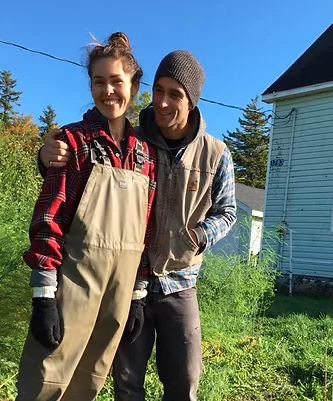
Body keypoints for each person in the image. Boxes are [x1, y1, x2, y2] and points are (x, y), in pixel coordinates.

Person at [39, 50, 237, 401]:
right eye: (158, 90)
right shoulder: (136, 140)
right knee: (127, 381)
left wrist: (199, 236)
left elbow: (228, 212)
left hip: (180, 282)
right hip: (127, 282)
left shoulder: (216, 154)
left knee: (185, 380)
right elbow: (87, 156)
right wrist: (47, 154)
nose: (161, 102)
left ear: (192, 101)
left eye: (174, 94)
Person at [16, 32, 156, 401]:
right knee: (45, 379)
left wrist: (138, 294)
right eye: (99, 82)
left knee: (89, 380)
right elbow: (50, 219)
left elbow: (145, 229)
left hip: (117, 295)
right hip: (70, 289)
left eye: (116, 82)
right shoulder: (72, 142)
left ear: (134, 85)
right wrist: (44, 296)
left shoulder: (144, 155)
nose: (108, 91)